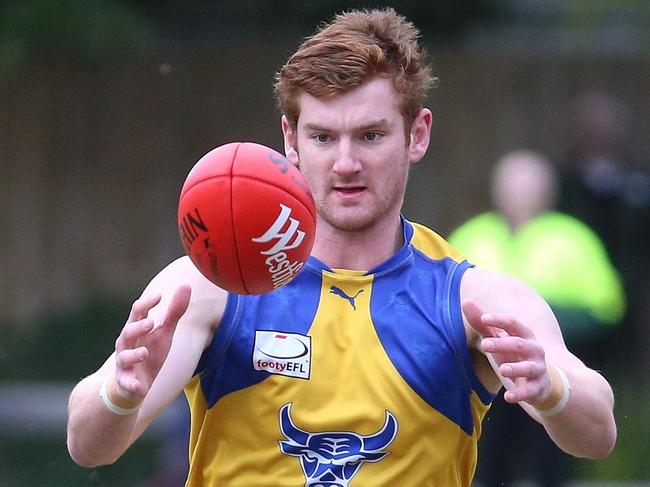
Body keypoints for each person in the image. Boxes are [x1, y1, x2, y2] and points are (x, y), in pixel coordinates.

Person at [66, 8, 617, 486]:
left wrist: (550, 391)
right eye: (323, 137)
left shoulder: (469, 297)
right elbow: (89, 446)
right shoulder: (213, 284)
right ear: (290, 139)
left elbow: (598, 431)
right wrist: (122, 390)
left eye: (371, 136)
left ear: (417, 134)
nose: (345, 163)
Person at [448, 150, 625, 486]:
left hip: (551, 367)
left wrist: (546, 327)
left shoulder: (573, 237)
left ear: (548, 190)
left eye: (529, 186)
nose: (519, 194)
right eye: (512, 185)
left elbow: (607, 305)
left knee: (550, 466)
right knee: (487, 463)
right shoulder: (473, 234)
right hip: (487, 376)